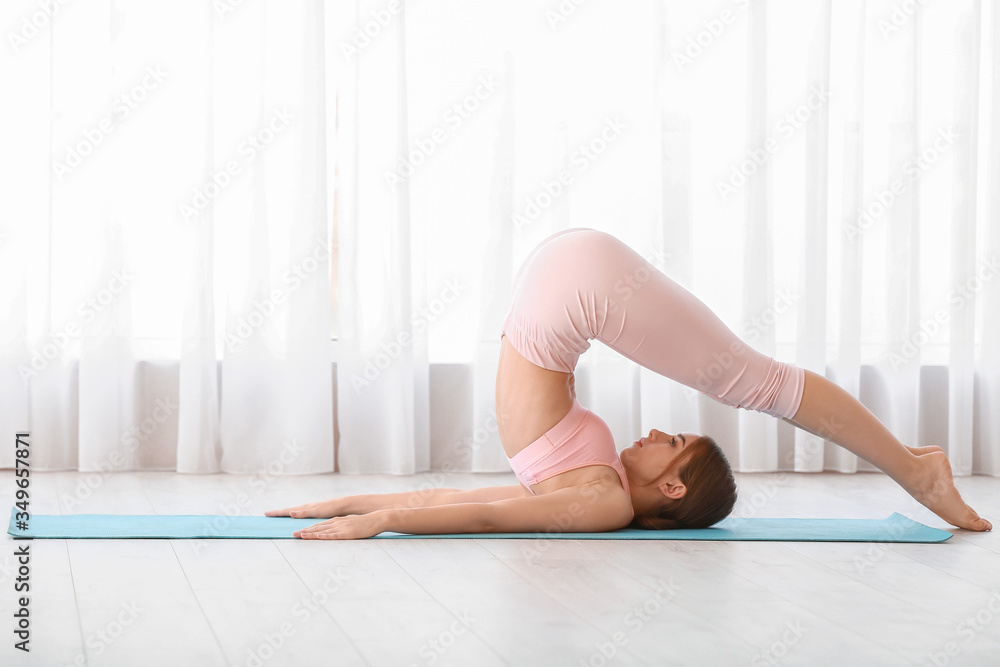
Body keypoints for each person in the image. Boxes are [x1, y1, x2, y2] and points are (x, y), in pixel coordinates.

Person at [267, 228, 992, 539]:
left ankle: (916, 467)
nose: (652, 431)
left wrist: (363, 509)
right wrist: (367, 513)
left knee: (756, 381)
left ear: (672, 488)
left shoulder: (602, 501)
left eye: (670, 442)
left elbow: (469, 507)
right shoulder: (600, 486)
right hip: (574, 288)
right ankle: (914, 466)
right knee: (753, 380)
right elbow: (470, 507)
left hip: (567, 288)